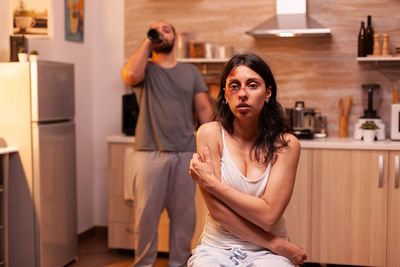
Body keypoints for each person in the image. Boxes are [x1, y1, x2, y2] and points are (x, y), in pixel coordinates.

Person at [188, 53, 307, 266]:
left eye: (252, 85)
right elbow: (218, 213)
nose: (242, 93)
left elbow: (268, 217)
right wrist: (279, 244)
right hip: (216, 248)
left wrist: (211, 183)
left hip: (268, 254)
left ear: (268, 93)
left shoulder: (287, 145)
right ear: (225, 94)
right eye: (234, 86)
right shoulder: (209, 134)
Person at [121, 20, 213, 267]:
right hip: (149, 152)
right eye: (156, 30)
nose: (161, 32)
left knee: (184, 219)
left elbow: (205, 110)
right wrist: (148, 42)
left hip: (185, 152)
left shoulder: (190, 72)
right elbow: (129, 75)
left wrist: (217, 146)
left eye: (167, 30)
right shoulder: (145, 69)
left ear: (175, 38)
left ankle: (179, 264)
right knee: (146, 218)